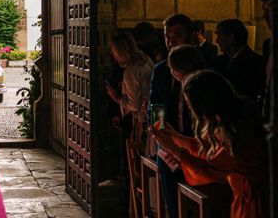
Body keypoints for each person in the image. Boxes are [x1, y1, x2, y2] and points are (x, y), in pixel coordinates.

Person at [151, 70, 268, 218]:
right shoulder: (233, 114)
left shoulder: (237, 132)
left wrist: (174, 149)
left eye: (190, 105)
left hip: (254, 202)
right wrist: (176, 137)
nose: (190, 110)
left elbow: (209, 169)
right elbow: (208, 147)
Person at [148, 13, 196, 218]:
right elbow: (155, 104)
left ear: (191, 36)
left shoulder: (204, 64)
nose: (170, 41)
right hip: (168, 148)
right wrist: (159, 135)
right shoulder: (160, 70)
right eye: (167, 36)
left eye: (177, 35)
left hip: (196, 144)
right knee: (173, 204)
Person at [105, 32, 153, 216]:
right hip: (147, 120)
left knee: (135, 168)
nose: (113, 55)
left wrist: (116, 97)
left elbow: (133, 103)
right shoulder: (145, 60)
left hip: (138, 123)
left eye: (114, 51)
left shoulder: (132, 70)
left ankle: (135, 207)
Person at [215, 19, 265, 107]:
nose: (217, 41)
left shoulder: (255, 63)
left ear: (231, 38)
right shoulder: (219, 61)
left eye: (219, 36)